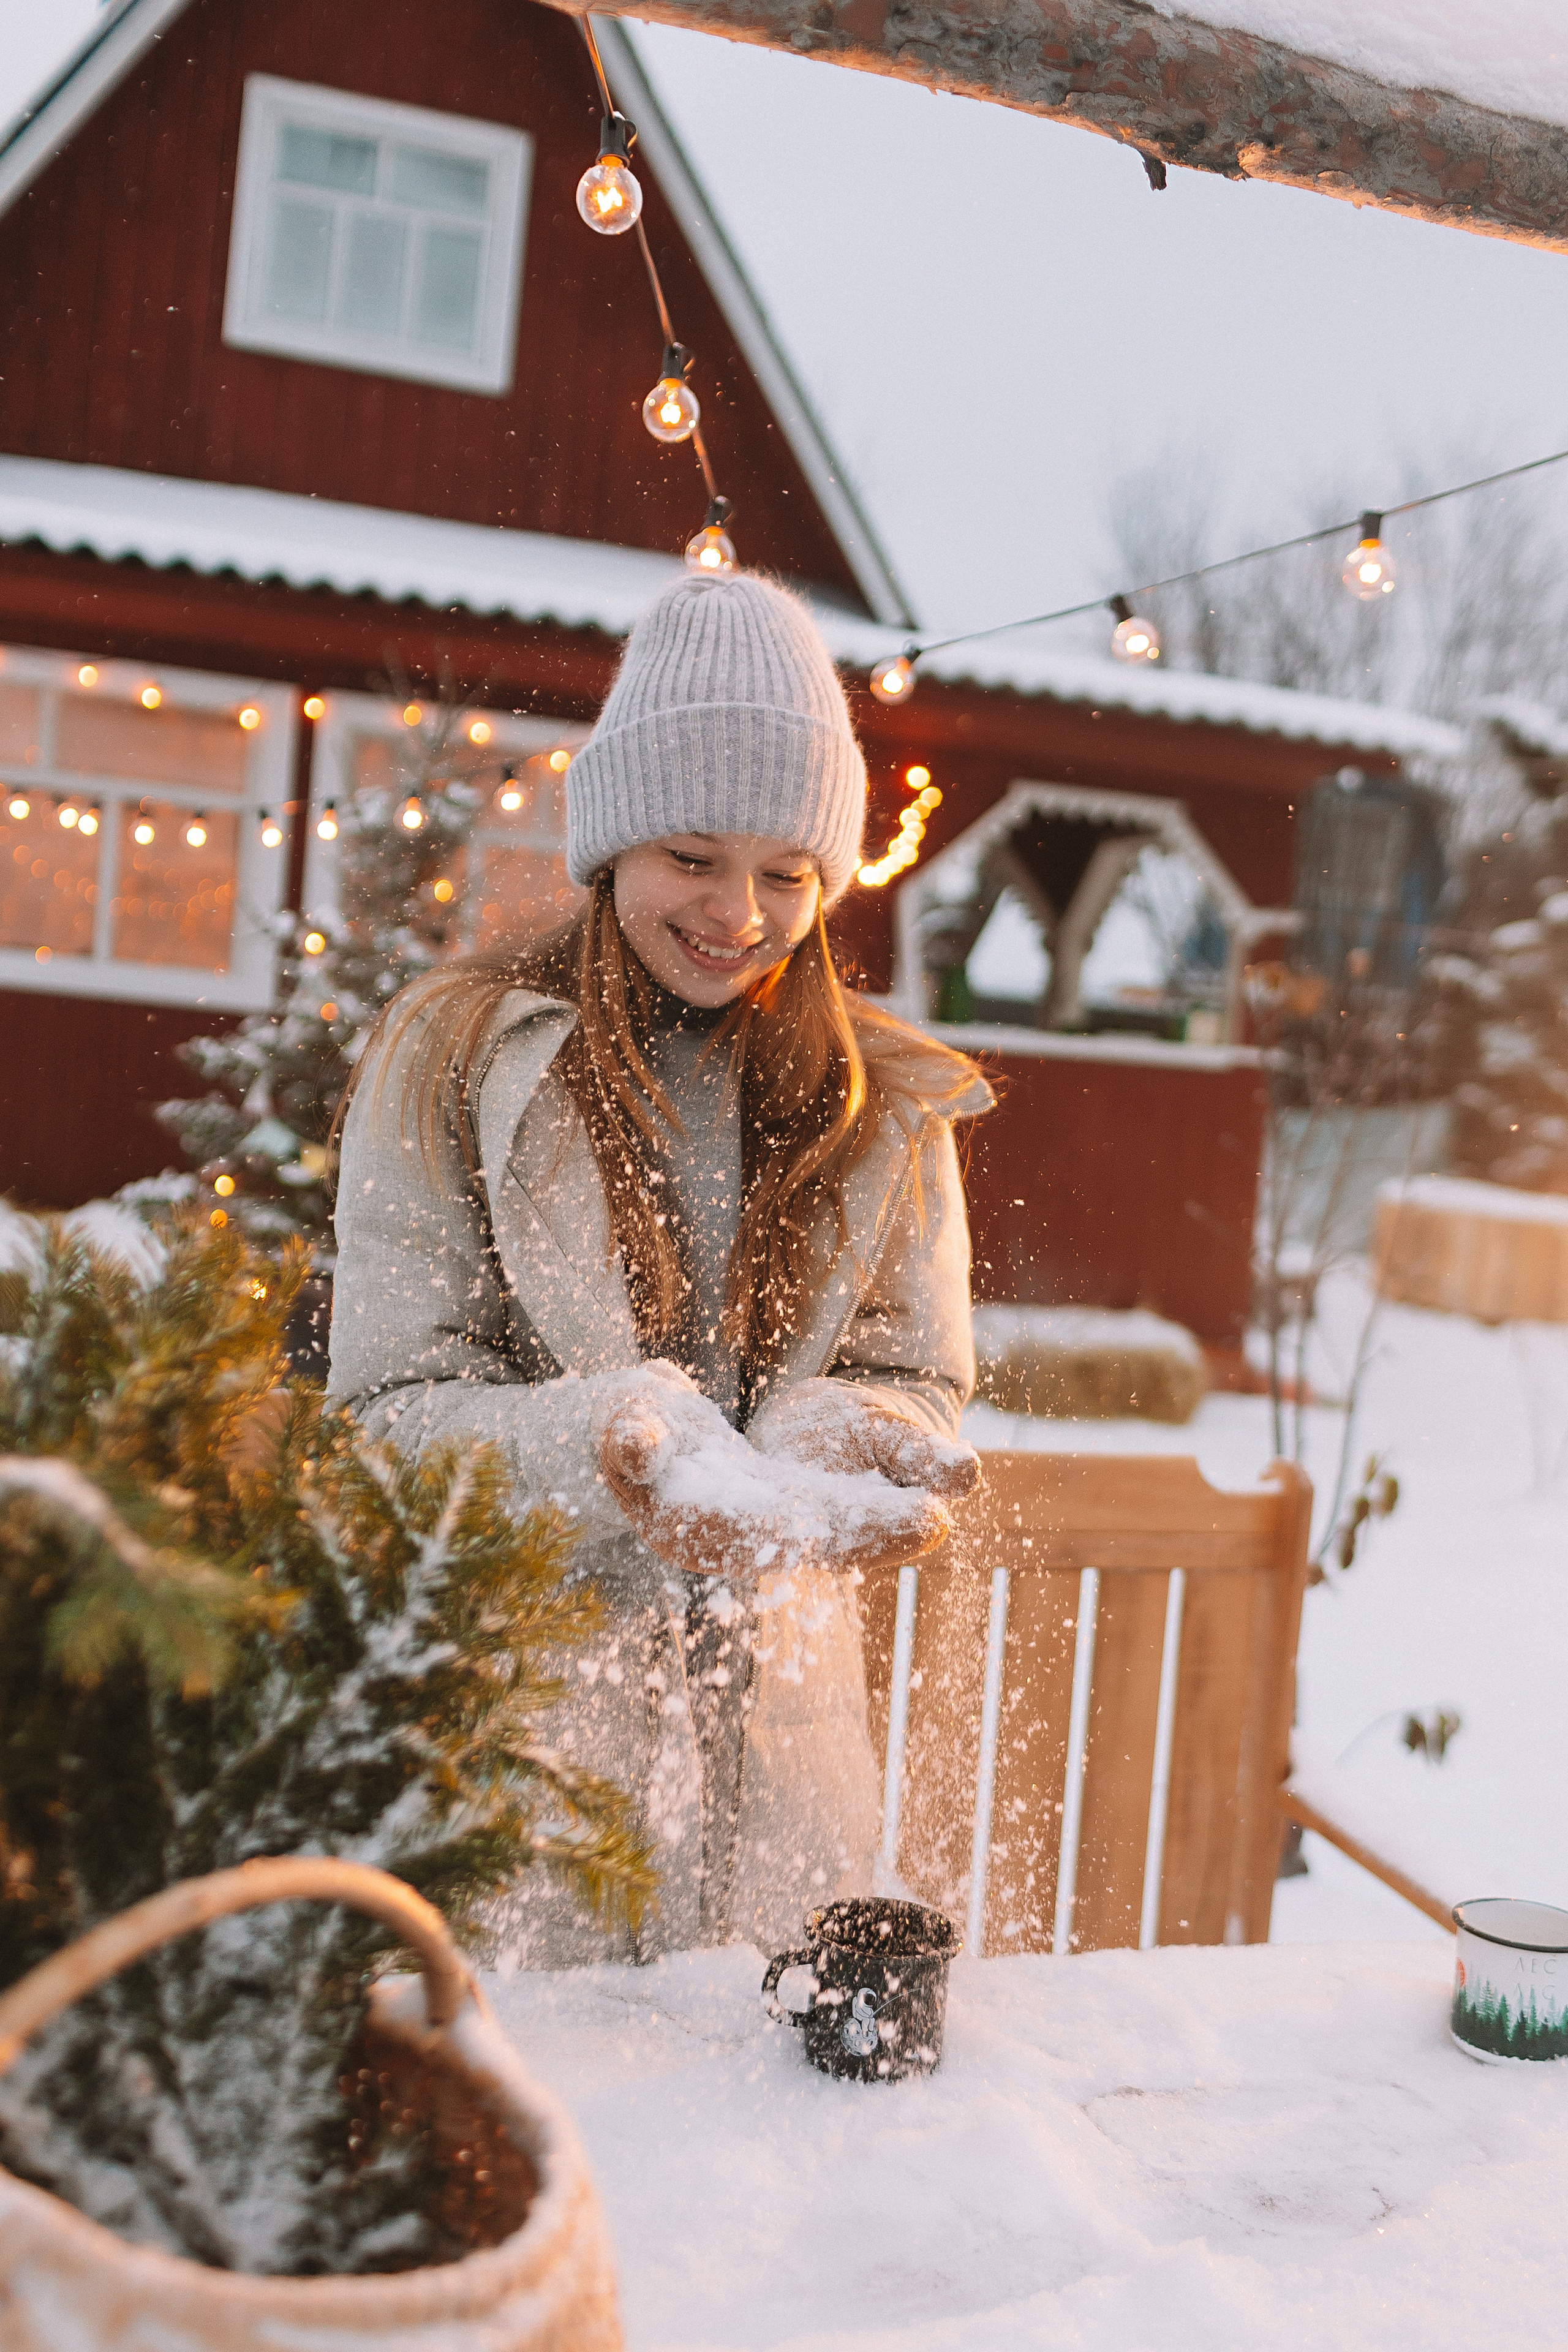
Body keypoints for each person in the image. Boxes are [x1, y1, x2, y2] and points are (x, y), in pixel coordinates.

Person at [327, 570, 990, 1962]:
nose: (738, 912)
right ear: (610, 845)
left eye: (787, 872)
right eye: (691, 855)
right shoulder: (451, 1058)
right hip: (522, 1770)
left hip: (788, 1790)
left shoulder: (886, 1101)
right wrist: (610, 1445)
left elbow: (910, 1374)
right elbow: (380, 1421)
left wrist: (844, 1432)